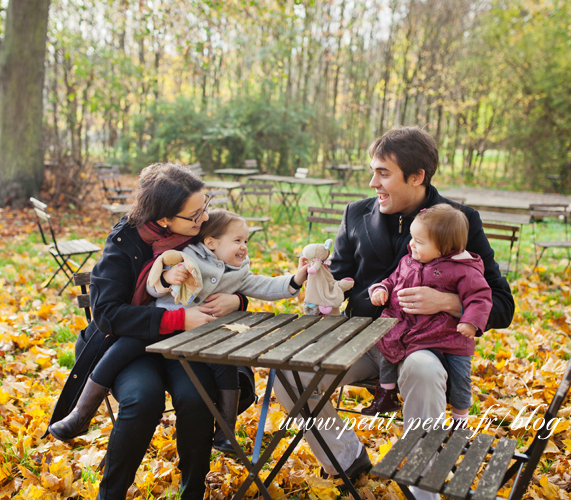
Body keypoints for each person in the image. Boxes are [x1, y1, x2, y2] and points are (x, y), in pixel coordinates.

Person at [272, 126, 514, 489]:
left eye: (383, 173)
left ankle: (421, 486)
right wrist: (331, 287)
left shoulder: (459, 221)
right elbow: (335, 287)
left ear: (417, 177)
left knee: (422, 368)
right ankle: (347, 459)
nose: (373, 182)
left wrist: (449, 302)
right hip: (366, 344)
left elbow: (503, 306)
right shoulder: (355, 214)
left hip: (428, 346)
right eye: (373, 171)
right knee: (288, 375)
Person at [47, 163, 251, 500]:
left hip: (183, 343)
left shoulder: (198, 232)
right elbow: (108, 314)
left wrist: (236, 299)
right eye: (194, 215)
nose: (203, 220)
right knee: (143, 399)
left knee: (196, 396)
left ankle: (192, 492)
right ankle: (110, 494)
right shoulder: (123, 243)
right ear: (165, 218)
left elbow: (233, 274)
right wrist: (177, 321)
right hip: (128, 347)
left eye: (205, 209)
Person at [51, 208, 308, 457]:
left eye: (246, 241)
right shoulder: (187, 256)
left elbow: (264, 285)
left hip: (202, 337)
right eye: (237, 240)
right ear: (211, 242)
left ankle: (225, 432)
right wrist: (168, 277)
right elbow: (153, 287)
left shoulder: (239, 272)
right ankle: (80, 414)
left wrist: (295, 280)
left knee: (226, 365)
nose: (244, 247)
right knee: (118, 353)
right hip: (160, 327)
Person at [361, 204, 493, 431]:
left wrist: (470, 321)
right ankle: (386, 394)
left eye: (419, 242)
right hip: (407, 332)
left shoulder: (464, 270)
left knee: (461, 379)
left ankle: (460, 419)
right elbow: (391, 280)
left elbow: (480, 297)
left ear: (445, 248)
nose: (410, 244)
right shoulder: (408, 261)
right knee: (387, 348)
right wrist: (380, 289)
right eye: (412, 238)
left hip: (450, 339)